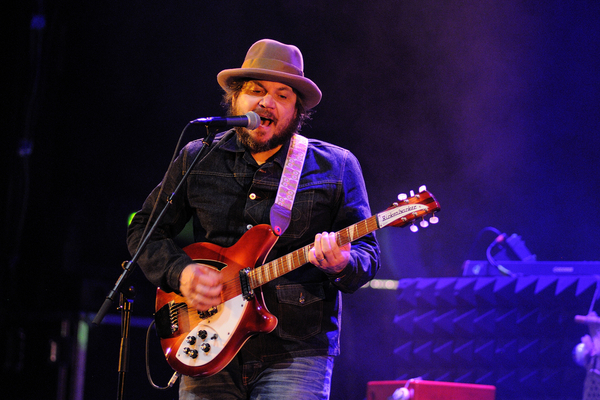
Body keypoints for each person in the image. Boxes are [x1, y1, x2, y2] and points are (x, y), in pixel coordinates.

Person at [127, 38, 380, 400]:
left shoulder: (336, 166)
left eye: (282, 95)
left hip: (295, 352)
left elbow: (367, 254)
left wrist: (342, 263)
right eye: (256, 90)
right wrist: (181, 273)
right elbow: (144, 230)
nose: (266, 102)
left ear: (297, 111)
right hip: (207, 342)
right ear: (235, 98)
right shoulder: (198, 157)